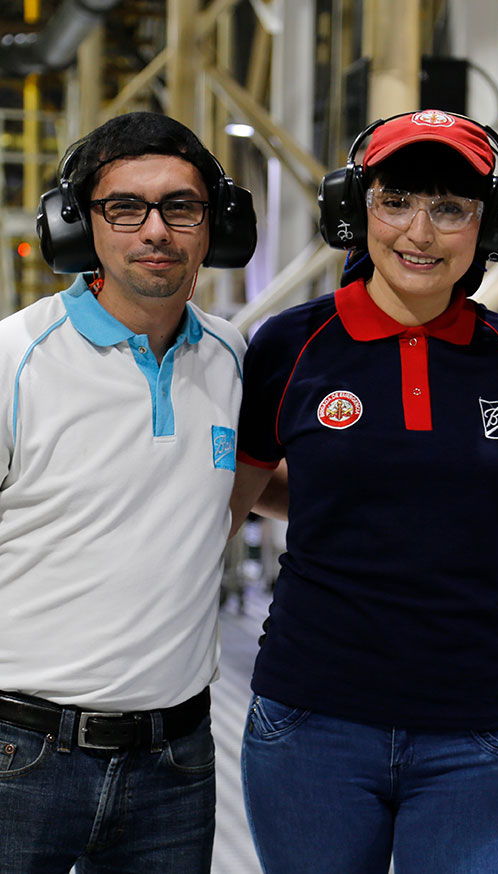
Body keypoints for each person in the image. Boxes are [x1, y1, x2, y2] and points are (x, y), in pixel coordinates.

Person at [229, 108, 498, 873]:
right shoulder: (291, 343)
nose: (420, 231)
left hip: (475, 728)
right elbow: (229, 500)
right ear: (356, 208)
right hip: (313, 720)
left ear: (489, 223)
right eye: (397, 200)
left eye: (450, 208)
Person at [0, 110, 256, 873]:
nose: (157, 231)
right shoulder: (15, 359)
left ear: (216, 227)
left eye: (181, 208)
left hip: (175, 763)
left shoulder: (231, 357)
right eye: (126, 208)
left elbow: (238, 491)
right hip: (22, 754)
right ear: (78, 225)